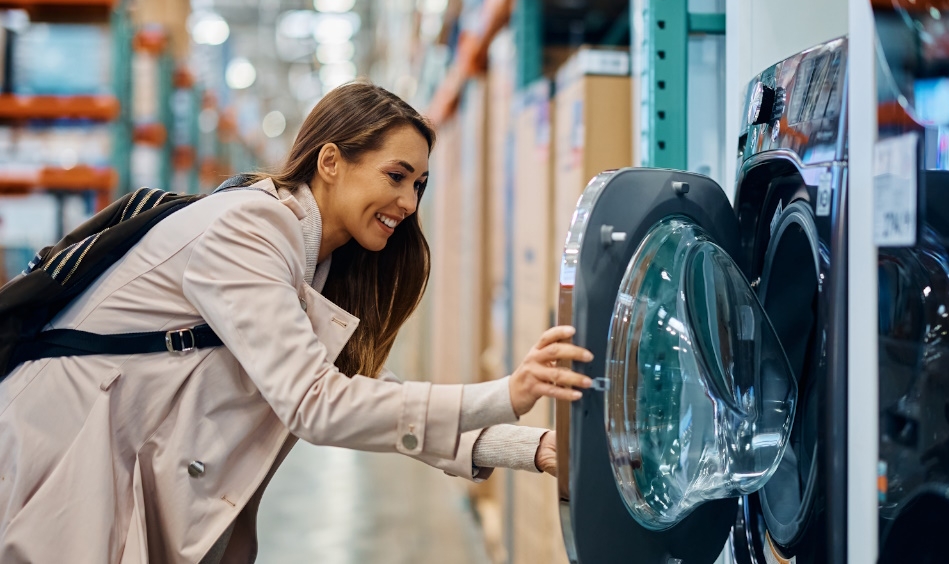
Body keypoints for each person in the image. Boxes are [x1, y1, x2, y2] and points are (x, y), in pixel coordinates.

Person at [0, 82, 593, 563]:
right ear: (330, 161)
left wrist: (533, 447)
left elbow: (365, 397)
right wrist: (506, 395)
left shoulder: (313, 261)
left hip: (111, 469)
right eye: (396, 176)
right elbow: (319, 403)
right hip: (60, 460)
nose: (410, 203)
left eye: (419, 184)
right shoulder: (249, 231)